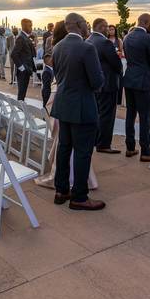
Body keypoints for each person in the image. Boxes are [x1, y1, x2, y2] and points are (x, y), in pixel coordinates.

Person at [51, 12, 105, 210]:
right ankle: (80, 196)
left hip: (64, 104)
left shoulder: (57, 47)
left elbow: (59, 75)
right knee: (83, 151)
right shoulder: (86, 48)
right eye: (85, 23)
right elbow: (97, 82)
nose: (87, 26)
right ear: (77, 24)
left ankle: (61, 190)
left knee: (64, 149)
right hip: (82, 106)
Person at [122, 13, 150, 161]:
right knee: (144, 117)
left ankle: (130, 148)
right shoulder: (148, 38)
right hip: (142, 80)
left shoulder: (127, 37)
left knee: (130, 114)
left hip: (129, 78)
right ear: (147, 22)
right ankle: (145, 151)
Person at [88, 18, 123, 154]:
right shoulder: (105, 42)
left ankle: (96, 140)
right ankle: (104, 144)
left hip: (94, 83)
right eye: (107, 27)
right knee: (107, 115)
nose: (108, 29)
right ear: (102, 27)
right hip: (108, 83)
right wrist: (120, 69)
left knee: (97, 113)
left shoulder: (89, 40)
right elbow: (116, 63)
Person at [11, 19, 35, 101]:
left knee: (23, 93)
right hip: (23, 71)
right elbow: (14, 54)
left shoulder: (26, 37)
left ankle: (21, 109)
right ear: (24, 27)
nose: (31, 28)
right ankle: (20, 110)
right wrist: (22, 68)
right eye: (30, 26)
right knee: (21, 93)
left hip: (27, 69)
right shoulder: (21, 38)